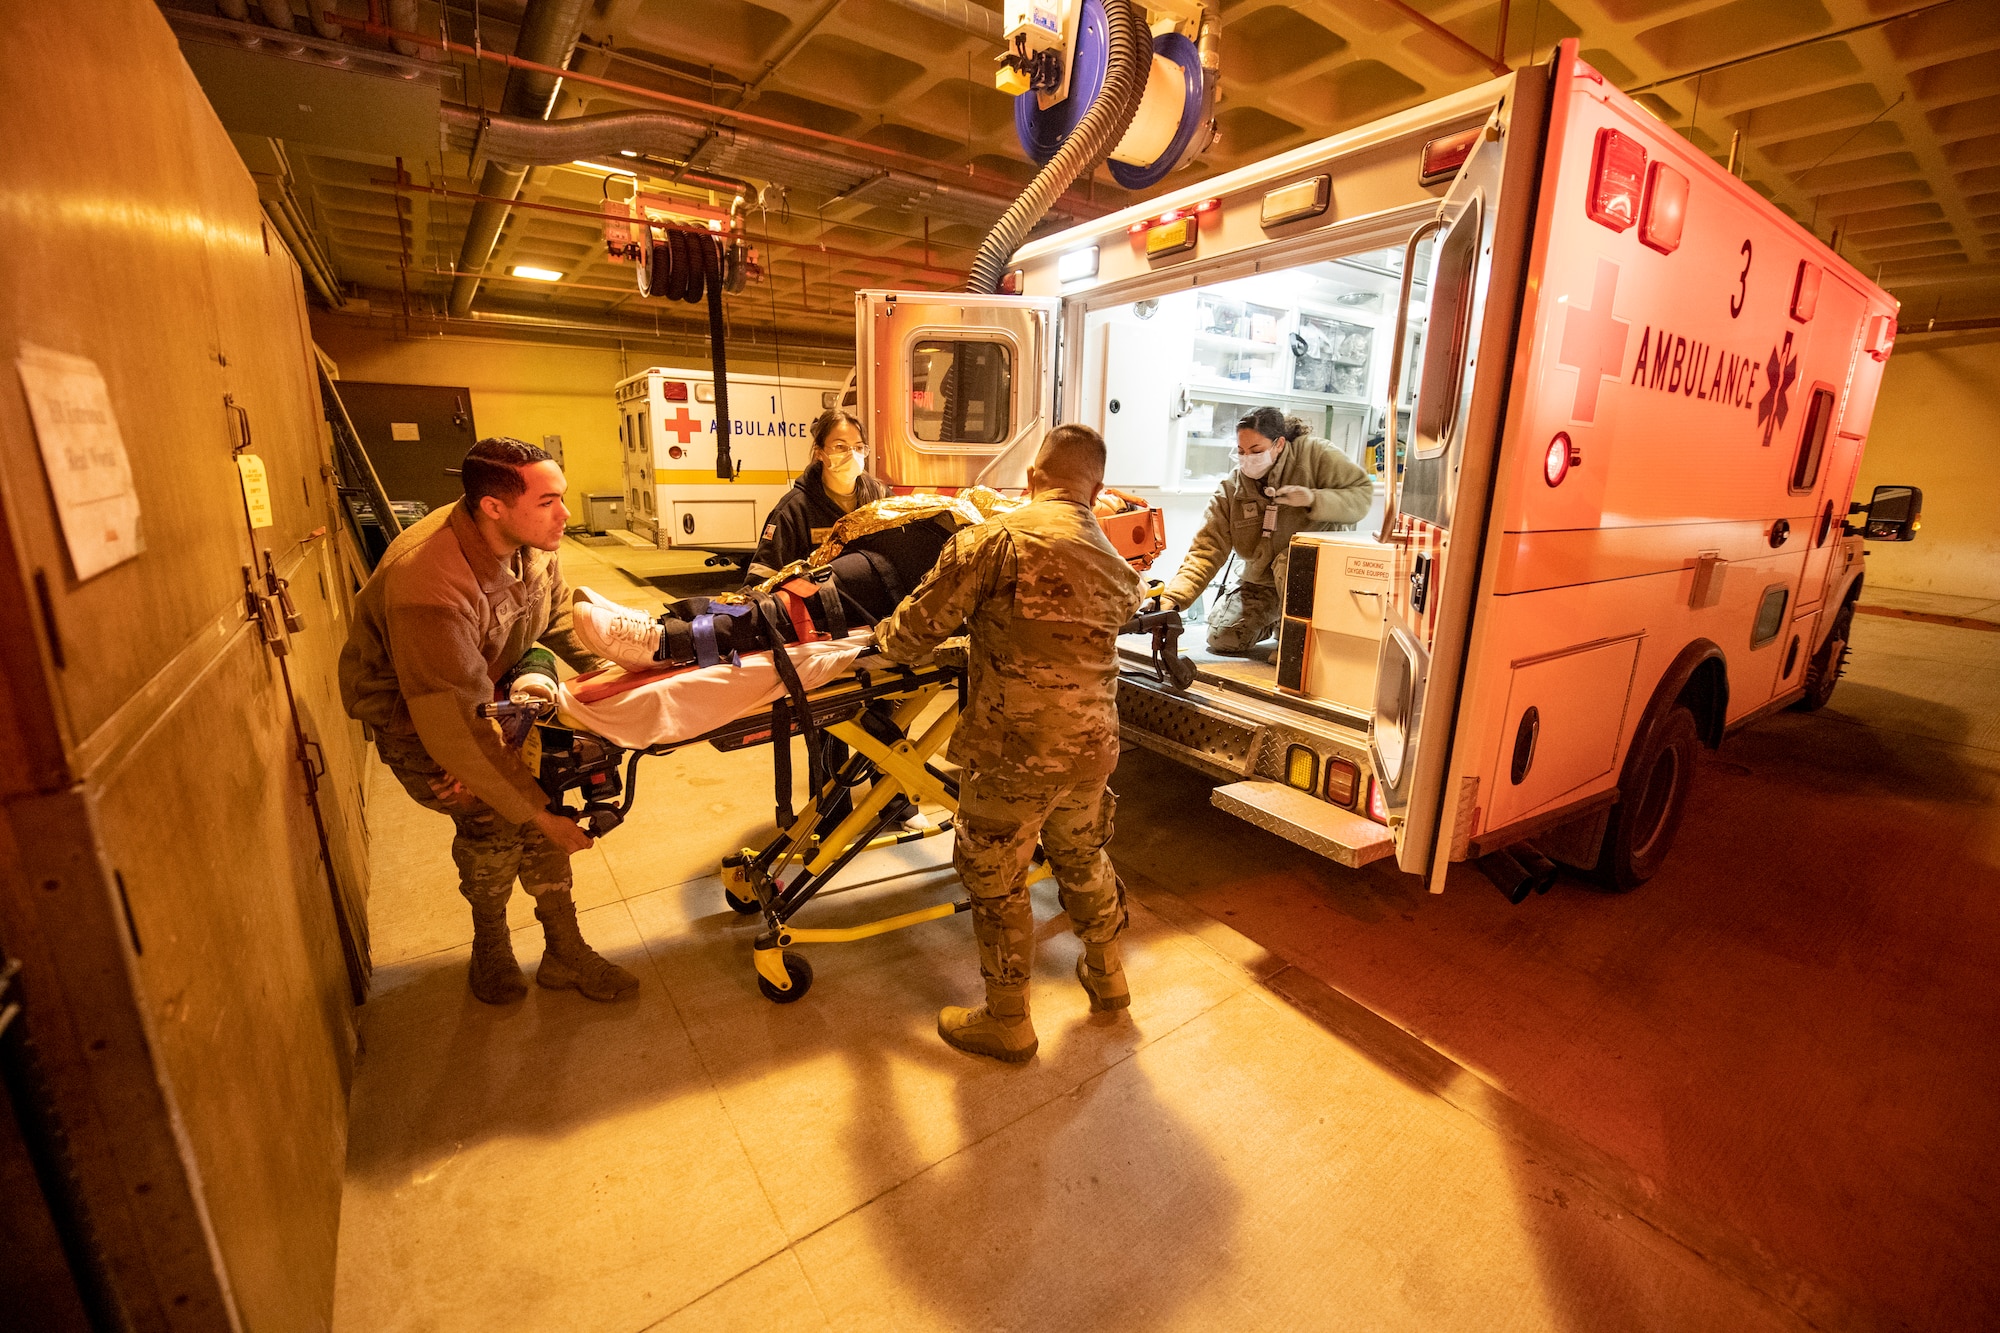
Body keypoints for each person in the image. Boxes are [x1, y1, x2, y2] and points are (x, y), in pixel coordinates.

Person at [873, 424, 1144, 1063]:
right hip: (1092, 746)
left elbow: (912, 633)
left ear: (1031, 477)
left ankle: (1007, 1020)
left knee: (996, 878)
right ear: (1096, 489)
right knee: (1082, 855)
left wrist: (879, 641)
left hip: (1017, 752)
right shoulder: (1116, 565)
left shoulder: (994, 543)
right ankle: (1108, 979)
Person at [339, 437, 639, 1005]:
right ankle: (492, 943)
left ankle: (562, 950)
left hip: (488, 695)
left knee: (543, 793)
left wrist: (618, 674)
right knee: (496, 820)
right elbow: (451, 721)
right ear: (494, 507)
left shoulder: (534, 546)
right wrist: (534, 812)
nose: (566, 514)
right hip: (416, 716)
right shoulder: (428, 582)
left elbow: (551, 624)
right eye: (548, 501)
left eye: (563, 497)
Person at [1157, 406, 1374, 655]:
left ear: (1279, 444)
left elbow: (1362, 494)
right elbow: (1207, 548)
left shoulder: (1315, 455)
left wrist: (1313, 499)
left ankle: (1302, 637)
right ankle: (1277, 619)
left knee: (1289, 560)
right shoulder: (1232, 488)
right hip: (1263, 580)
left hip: (1314, 576)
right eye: (1241, 451)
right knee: (1223, 638)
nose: (1247, 458)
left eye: (1256, 450)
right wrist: (1173, 599)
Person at [745, 408, 889, 581]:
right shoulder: (793, 511)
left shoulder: (880, 498)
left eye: (858, 447)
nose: (852, 455)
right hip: (820, 605)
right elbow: (761, 579)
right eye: (840, 447)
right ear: (819, 452)